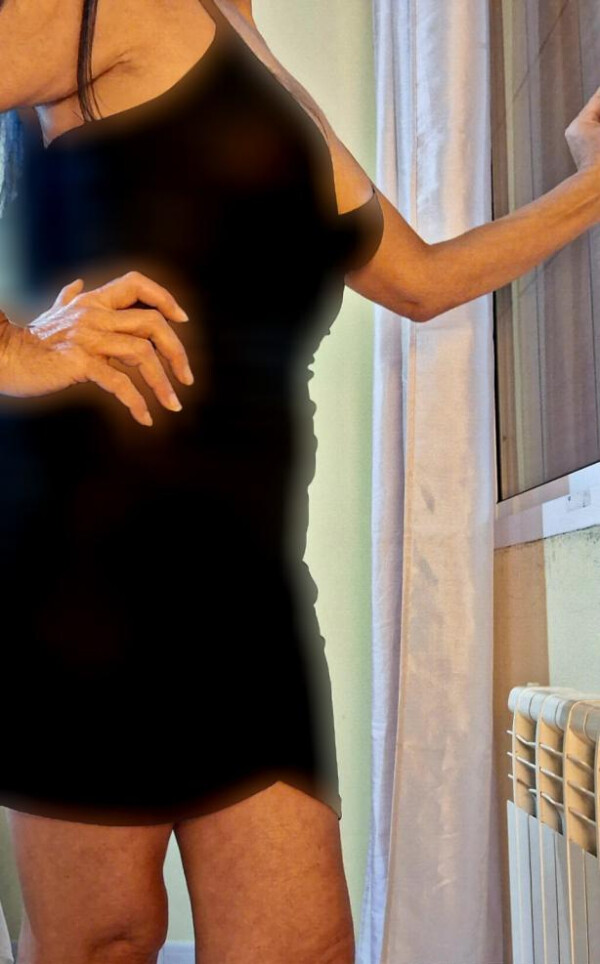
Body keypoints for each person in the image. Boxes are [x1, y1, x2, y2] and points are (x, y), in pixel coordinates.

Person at [0, 2, 599, 963]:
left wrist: (589, 189)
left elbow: (421, 280)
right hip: (89, 574)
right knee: (103, 941)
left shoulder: (264, 67)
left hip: (251, 586)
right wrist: (16, 349)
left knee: (301, 944)